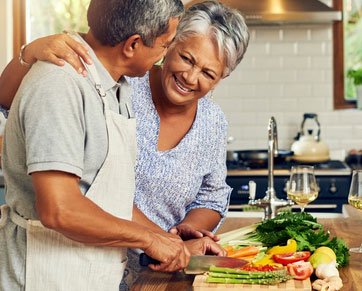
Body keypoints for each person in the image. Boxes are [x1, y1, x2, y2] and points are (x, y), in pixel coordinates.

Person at [0, 0, 249, 288]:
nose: (165, 56)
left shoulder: (117, 87)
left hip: (96, 271)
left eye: (208, 73)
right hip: (42, 273)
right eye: (168, 46)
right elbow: (60, 209)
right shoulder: (61, 82)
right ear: (133, 44)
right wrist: (151, 239)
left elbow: (108, 196)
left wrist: (171, 242)